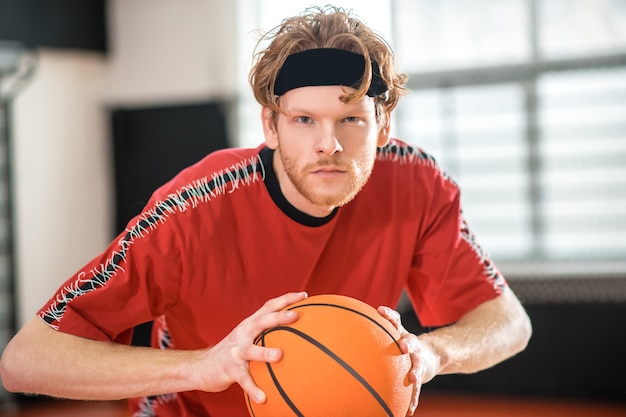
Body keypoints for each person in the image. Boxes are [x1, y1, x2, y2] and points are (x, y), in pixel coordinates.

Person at [0, 5, 531, 417]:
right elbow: (24, 360)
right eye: (304, 120)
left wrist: (433, 354)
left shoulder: (419, 184)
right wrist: (205, 365)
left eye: (351, 119)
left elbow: (509, 323)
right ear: (269, 126)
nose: (329, 144)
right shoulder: (194, 207)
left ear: (383, 126)